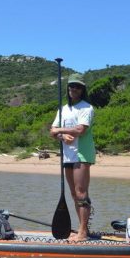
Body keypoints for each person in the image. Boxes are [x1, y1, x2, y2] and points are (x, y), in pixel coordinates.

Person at [49, 73, 96, 241]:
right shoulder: (62, 110)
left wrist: (60, 131)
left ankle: (83, 233)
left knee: (81, 193)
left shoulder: (86, 108)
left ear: (82, 90)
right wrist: (61, 137)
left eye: (77, 87)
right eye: (71, 86)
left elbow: (80, 130)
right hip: (67, 156)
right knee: (74, 194)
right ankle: (83, 229)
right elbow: (52, 131)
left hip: (82, 154)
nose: (73, 89)